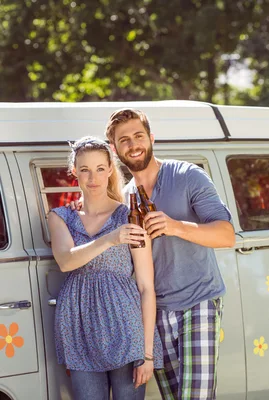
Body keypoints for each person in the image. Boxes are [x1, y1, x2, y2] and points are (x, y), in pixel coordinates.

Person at [104, 109, 235, 400]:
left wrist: (176, 226)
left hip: (199, 301)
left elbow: (226, 235)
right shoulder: (123, 200)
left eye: (139, 136)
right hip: (157, 314)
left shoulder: (187, 175)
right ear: (115, 149)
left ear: (151, 138)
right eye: (124, 140)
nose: (133, 144)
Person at [48, 136, 163, 400]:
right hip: (78, 330)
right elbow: (66, 261)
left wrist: (146, 353)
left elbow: (146, 287)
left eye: (100, 168)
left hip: (126, 328)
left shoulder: (130, 216)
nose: (93, 178)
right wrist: (110, 238)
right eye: (85, 169)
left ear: (110, 169)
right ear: (74, 171)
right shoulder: (60, 217)